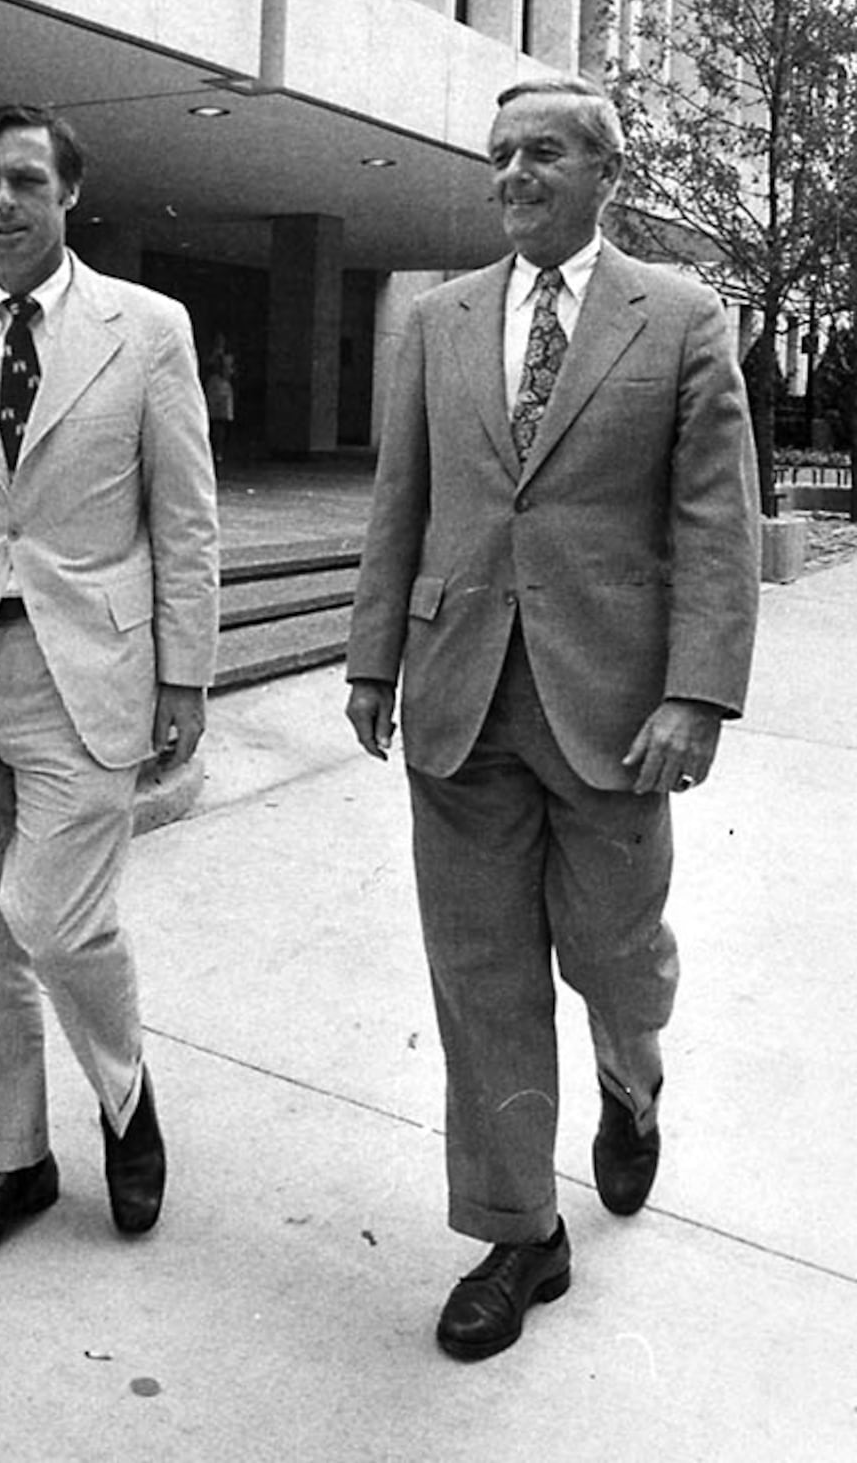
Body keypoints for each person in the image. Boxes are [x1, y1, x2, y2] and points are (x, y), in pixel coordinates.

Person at [344, 77, 758, 1362]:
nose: (512, 175)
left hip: (616, 711)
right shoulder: (436, 319)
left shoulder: (682, 321)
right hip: (459, 698)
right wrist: (371, 664)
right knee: (478, 979)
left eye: (542, 155)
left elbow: (714, 524)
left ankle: (632, 1084)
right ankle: (519, 1232)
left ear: (601, 175)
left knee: (613, 955)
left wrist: (696, 692)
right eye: (499, 156)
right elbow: (397, 501)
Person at [0, 102, 220, 1277]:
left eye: (24, 181)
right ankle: (7, 1163)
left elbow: (185, 520)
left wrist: (186, 675)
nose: (1, 204)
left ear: (70, 195)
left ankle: (124, 1101)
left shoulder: (147, 328)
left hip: (92, 672)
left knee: (56, 920)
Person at [202, 333, 237, 464]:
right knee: (211, 420)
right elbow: (207, 369)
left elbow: (230, 372)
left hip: (224, 388)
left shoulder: (228, 358)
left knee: (221, 422)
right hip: (213, 387)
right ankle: (210, 449)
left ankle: (220, 451)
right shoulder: (211, 357)